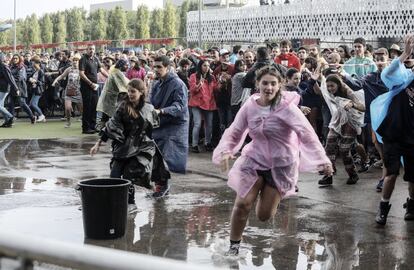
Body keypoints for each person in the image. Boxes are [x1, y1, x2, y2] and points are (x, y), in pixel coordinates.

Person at [212, 66, 332, 256]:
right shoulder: (250, 106)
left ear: (280, 86)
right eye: (265, 83)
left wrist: (322, 160)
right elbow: (235, 130)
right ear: (257, 84)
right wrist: (226, 151)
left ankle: (266, 196)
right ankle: (233, 247)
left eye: (273, 84)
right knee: (242, 205)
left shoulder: (289, 109)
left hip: (281, 164)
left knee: (263, 216)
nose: (268, 87)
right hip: (254, 159)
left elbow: (307, 134)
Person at [90, 79, 171, 202]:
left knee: (130, 175)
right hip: (123, 146)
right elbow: (111, 126)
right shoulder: (122, 107)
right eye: (128, 91)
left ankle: (130, 202)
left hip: (141, 147)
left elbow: (152, 128)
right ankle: (116, 201)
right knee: (114, 176)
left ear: (141, 92)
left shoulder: (149, 109)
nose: (130, 94)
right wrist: (98, 144)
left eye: (133, 91)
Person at [371, 34, 414, 225]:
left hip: (412, 136)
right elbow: (386, 74)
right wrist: (405, 53)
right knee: (391, 173)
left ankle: (411, 205)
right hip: (393, 133)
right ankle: (383, 208)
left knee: (413, 175)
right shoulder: (401, 78)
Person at [318, 74, 365, 186]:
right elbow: (320, 88)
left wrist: (352, 104)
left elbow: (362, 107)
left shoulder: (348, 92)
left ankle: (353, 174)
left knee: (344, 150)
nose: (330, 88)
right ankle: (328, 175)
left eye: (332, 86)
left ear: (338, 85)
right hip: (336, 121)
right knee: (329, 146)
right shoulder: (328, 92)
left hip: (350, 121)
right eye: (328, 86)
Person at [150, 56, 189, 179]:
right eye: (155, 66)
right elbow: (151, 102)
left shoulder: (178, 84)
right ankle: (160, 185)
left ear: (167, 67)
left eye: (159, 67)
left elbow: (180, 106)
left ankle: (163, 184)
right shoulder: (156, 83)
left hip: (175, 125)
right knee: (156, 156)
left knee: (168, 157)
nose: (156, 69)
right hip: (160, 124)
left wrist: (162, 111)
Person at [188, 59, 217, 153]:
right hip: (197, 103)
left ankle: (207, 143)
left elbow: (216, 89)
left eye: (208, 65)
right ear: (200, 66)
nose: (207, 67)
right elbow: (192, 90)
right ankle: (194, 145)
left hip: (209, 103)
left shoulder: (212, 77)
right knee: (197, 124)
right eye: (204, 65)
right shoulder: (194, 76)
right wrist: (199, 85)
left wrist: (222, 82)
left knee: (209, 125)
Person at [79, 45, 108, 134]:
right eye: (90, 49)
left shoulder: (95, 59)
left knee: (94, 106)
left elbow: (101, 70)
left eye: (93, 49)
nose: (91, 50)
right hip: (86, 87)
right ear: (86, 50)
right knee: (87, 107)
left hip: (95, 86)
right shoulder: (83, 59)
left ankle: (92, 126)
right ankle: (86, 128)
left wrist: (109, 77)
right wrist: (90, 83)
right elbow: (81, 73)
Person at [96, 59, 130, 129]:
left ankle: (102, 130)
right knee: (109, 116)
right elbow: (125, 84)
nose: (127, 67)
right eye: (126, 65)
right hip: (110, 98)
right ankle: (105, 131)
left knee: (105, 116)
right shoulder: (117, 73)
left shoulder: (116, 71)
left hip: (109, 97)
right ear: (121, 66)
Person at [52, 53, 83, 128]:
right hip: (69, 91)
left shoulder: (82, 70)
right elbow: (62, 76)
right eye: (74, 60)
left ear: (79, 62)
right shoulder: (69, 69)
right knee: (68, 108)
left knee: (81, 110)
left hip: (78, 91)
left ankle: (84, 120)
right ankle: (68, 121)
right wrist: (55, 80)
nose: (75, 62)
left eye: (76, 60)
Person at [0, 54, 19, 128]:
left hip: (4, 88)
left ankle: (11, 117)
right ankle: (8, 121)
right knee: (1, 106)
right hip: (1, 88)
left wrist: (16, 88)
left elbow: (10, 78)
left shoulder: (4, 66)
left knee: (0, 106)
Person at [28, 56, 46, 122]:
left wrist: (34, 80)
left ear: (36, 63)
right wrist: (31, 80)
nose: (32, 64)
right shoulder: (36, 71)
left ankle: (41, 115)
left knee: (33, 104)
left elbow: (42, 82)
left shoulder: (40, 71)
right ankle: (39, 117)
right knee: (32, 104)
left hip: (38, 90)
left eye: (32, 62)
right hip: (35, 90)